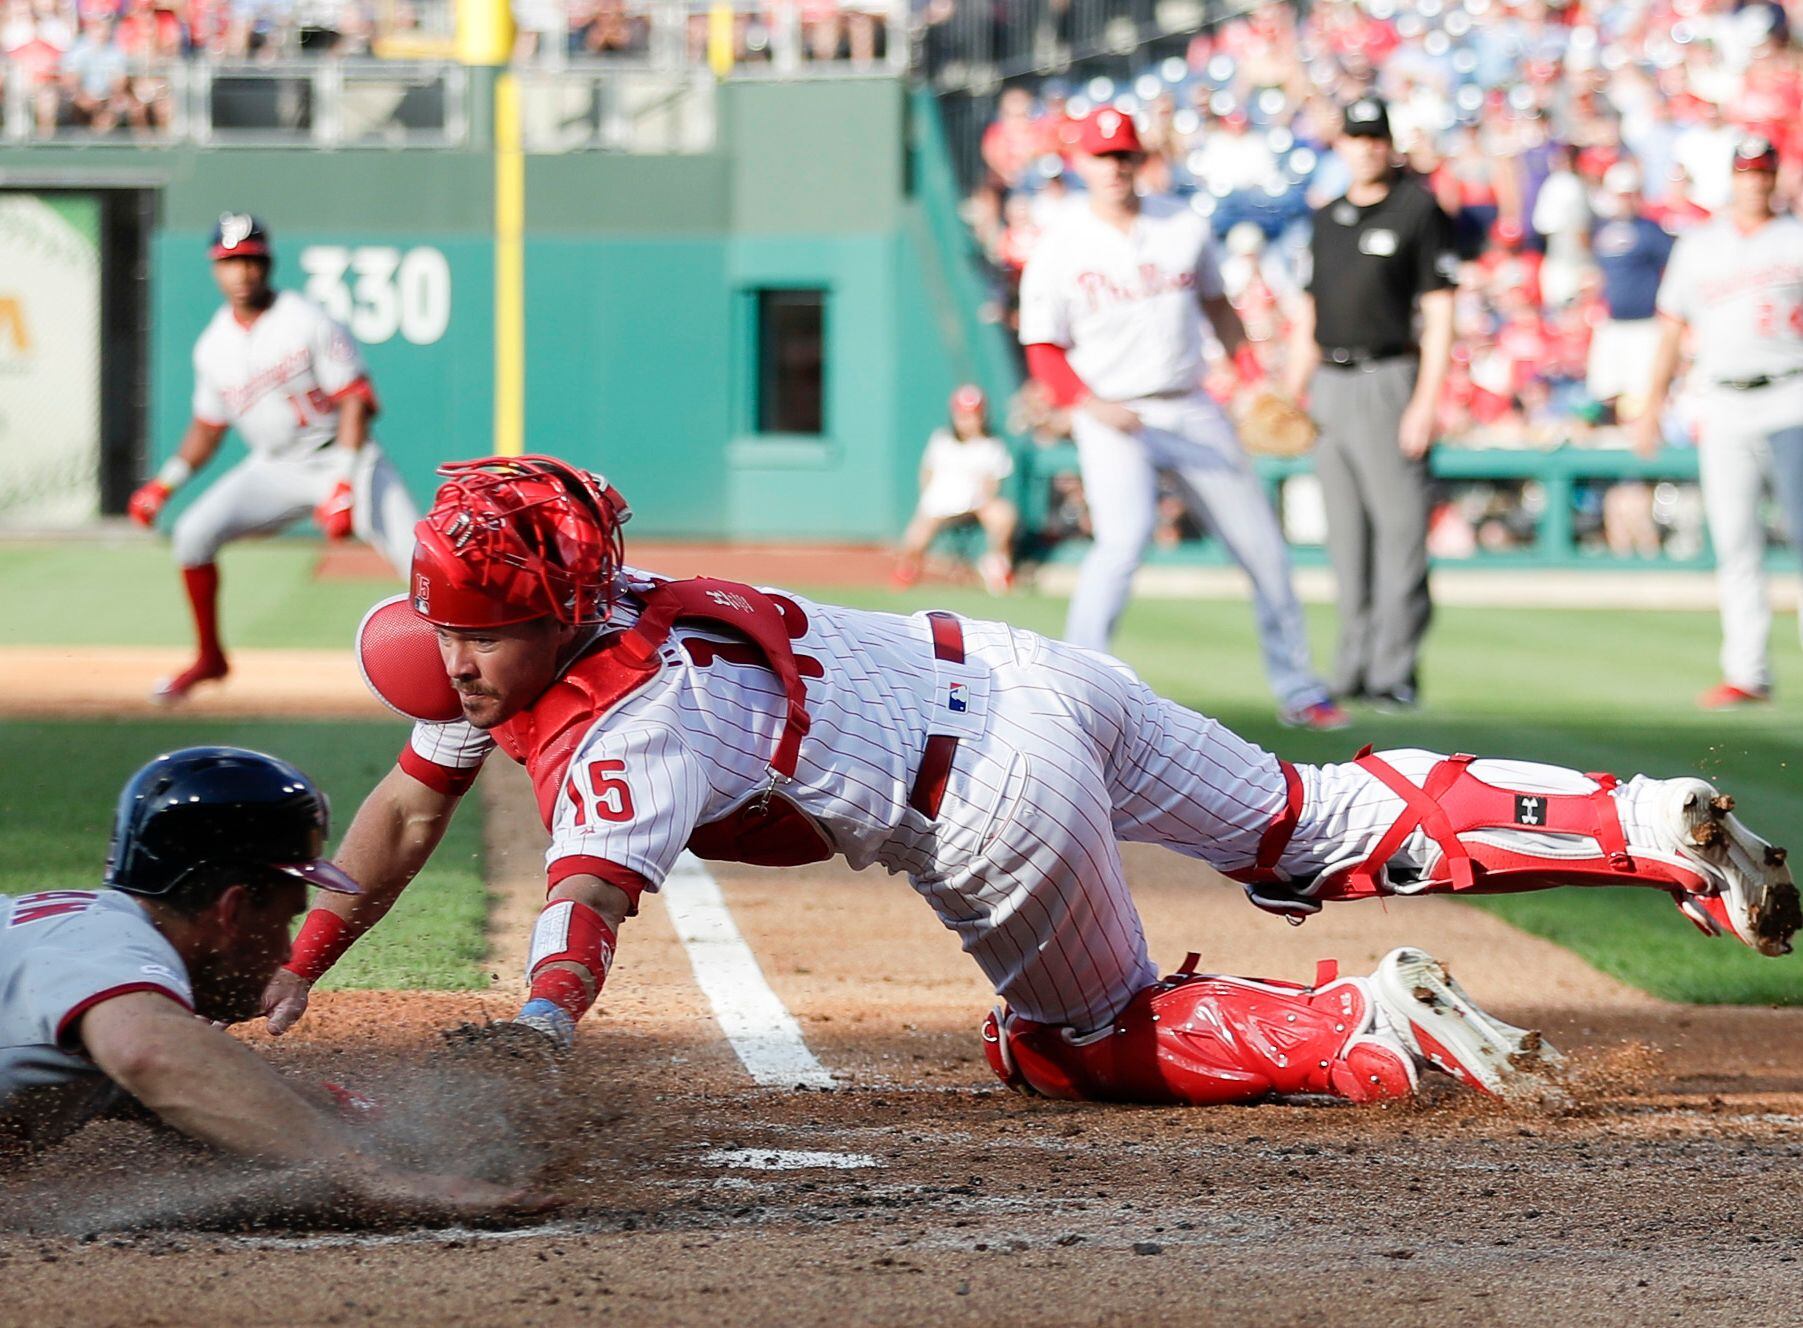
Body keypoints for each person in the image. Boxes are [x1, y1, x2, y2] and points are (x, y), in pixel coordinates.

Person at [261, 455, 1798, 1111]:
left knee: (1065, 1043)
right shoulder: (578, 599)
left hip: (987, 795)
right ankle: (1638, 818)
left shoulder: (621, 723)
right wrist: (306, 958)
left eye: (485, 635)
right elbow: (421, 789)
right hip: (1024, 670)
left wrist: (539, 1027)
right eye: (451, 627)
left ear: (556, 614)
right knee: (1305, 819)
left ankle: (1363, 1024)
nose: (457, 660)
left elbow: (587, 892)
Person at [0, 745, 549, 1216]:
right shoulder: (110, 949)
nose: (288, 949)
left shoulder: (87, 948)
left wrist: (413, 1137)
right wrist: (370, 1178)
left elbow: (228, 1093)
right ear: (233, 909)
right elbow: (155, 1054)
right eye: (285, 917)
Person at [1017, 108, 1347, 732]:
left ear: (1141, 161)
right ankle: (1073, 687)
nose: (1115, 166)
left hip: (1190, 402)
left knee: (1263, 548)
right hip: (1112, 411)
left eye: (1124, 155)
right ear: (1081, 164)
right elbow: (1041, 345)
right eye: (1103, 156)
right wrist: (1088, 404)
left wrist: (1249, 377)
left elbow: (1218, 307)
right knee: (1121, 543)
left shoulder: (1182, 224)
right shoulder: (1060, 243)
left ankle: (1301, 689)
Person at [126, 213, 420, 702]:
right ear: (214, 269)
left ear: (268, 264)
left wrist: (344, 485)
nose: (242, 272)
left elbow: (357, 398)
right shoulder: (212, 346)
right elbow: (208, 426)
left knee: (423, 564)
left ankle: (466, 673)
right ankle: (210, 658)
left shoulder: (306, 319)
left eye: (250, 260)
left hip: (344, 458)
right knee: (192, 535)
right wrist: (165, 483)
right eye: (230, 261)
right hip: (275, 466)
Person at [1284, 97, 1459, 713]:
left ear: (1388, 144)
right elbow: (1311, 313)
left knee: (1401, 535)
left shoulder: (1417, 208)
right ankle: (1350, 668)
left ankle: (1394, 671)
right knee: (1346, 540)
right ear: (1342, 146)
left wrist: (1425, 401)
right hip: (1329, 382)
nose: (1364, 148)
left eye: (1373, 137)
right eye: (1354, 137)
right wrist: (1288, 390)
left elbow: (1439, 313)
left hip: (1390, 377)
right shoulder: (1327, 216)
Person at [1633, 136, 1803, 709]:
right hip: (1725, 401)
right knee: (1734, 540)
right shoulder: (1700, 246)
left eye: (1763, 172)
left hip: (1792, 393)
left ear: (1775, 177)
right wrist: (1651, 404)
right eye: (1746, 172)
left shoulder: (1796, 236)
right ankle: (1747, 672)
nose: (1754, 182)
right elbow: (1672, 329)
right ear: (1732, 177)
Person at [892, 385, 1017, 596]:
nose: (967, 421)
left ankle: (997, 566)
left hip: (976, 505)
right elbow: (927, 473)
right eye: (962, 416)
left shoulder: (992, 446)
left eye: (973, 416)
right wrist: (928, 501)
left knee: (1003, 514)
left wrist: (979, 500)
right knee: (916, 536)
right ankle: (909, 570)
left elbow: (992, 486)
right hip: (940, 504)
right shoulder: (941, 440)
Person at [1586, 162, 1674, 425]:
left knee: (1639, 395)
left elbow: (1671, 270)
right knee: (1605, 392)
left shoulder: (1651, 231)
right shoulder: (1601, 230)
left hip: (1644, 324)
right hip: (1611, 323)